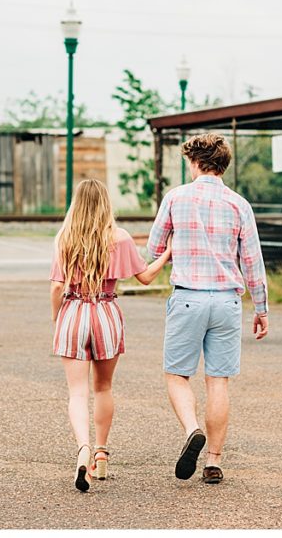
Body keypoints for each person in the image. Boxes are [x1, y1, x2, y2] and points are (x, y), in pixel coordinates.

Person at [148, 133, 268, 485]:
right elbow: (253, 262)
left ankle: (192, 429)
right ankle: (214, 461)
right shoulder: (239, 204)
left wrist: (175, 242)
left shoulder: (176, 198)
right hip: (227, 301)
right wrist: (261, 308)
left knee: (176, 375)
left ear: (196, 162)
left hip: (188, 296)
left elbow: (155, 247)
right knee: (218, 381)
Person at [50, 179, 172, 492]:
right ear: (106, 203)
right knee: (103, 387)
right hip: (105, 312)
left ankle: (82, 449)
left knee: (77, 392)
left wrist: (57, 320)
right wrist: (167, 253)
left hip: (74, 311)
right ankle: (101, 453)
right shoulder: (120, 238)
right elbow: (145, 277)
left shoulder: (65, 238)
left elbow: (55, 287)